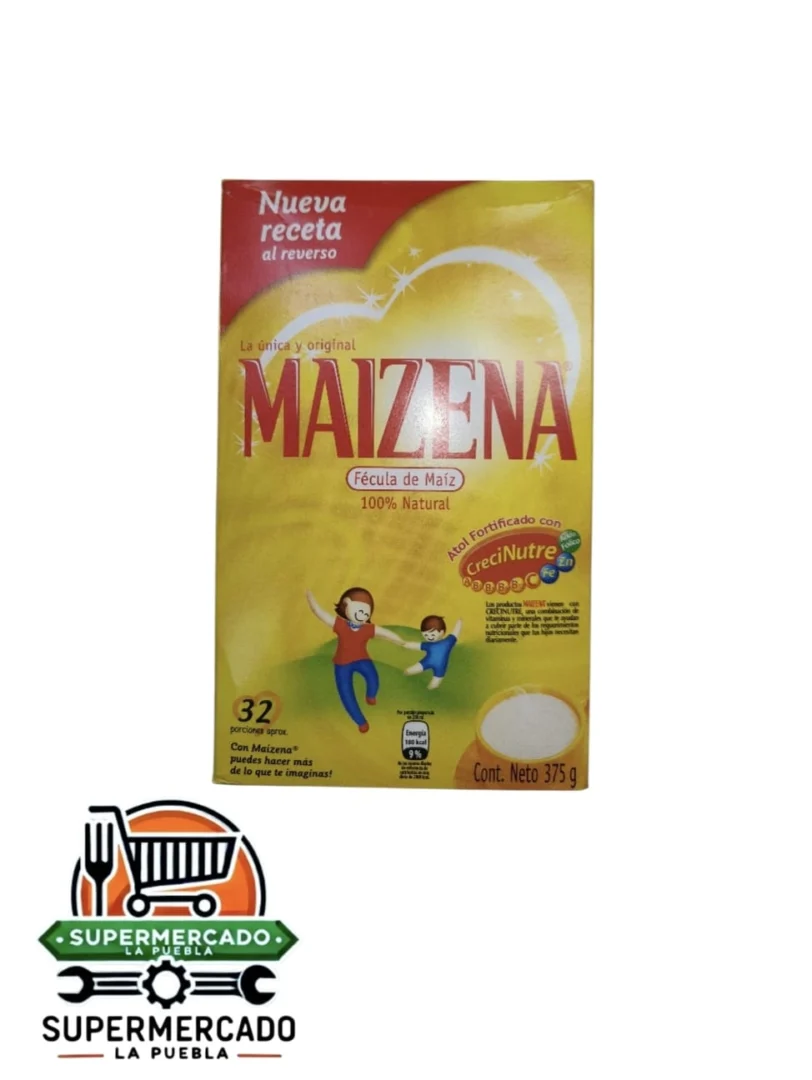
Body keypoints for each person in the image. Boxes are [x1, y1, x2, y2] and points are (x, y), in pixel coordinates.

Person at [305, 587, 404, 733]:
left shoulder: (367, 628)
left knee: (373, 679)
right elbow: (320, 614)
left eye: (366, 613)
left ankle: (371, 695)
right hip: (342, 665)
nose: (363, 615)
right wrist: (311, 599)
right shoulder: (340, 625)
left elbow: (385, 633)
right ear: (346, 603)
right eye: (360, 610)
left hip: (362, 660)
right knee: (346, 694)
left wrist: (400, 641)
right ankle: (361, 721)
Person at [402, 615, 461, 689]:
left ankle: (428, 691)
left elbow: (455, 632)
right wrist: (406, 644)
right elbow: (417, 645)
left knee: (433, 685)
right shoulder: (430, 645)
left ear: (442, 632)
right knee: (408, 671)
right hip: (426, 662)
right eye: (426, 635)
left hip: (440, 667)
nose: (429, 637)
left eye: (432, 634)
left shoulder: (447, 642)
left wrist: (459, 622)